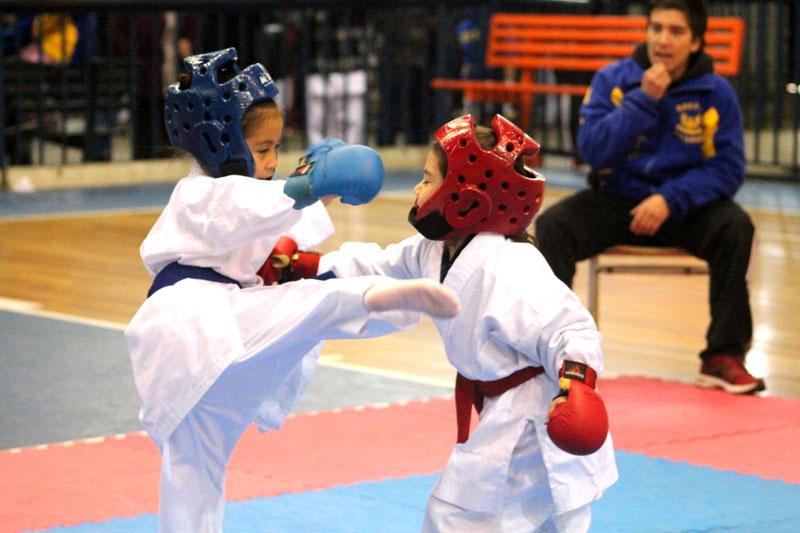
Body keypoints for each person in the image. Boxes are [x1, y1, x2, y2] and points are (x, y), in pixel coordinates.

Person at [123, 47, 461, 533]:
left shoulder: (238, 196)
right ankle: (381, 297)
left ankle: (387, 286)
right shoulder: (201, 194)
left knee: (194, 476)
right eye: (263, 150)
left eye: (277, 149)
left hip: (208, 335)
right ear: (220, 142)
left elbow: (274, 224)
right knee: (310, 303)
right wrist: (308, 184)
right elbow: (254, 207)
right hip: (197, 321)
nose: (272, 161)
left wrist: (314, 185)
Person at [317, 114, 618, 532]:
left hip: (535, 420)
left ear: (466, 197)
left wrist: (578, 387)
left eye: (427, 179)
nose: (418, 189)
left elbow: (571, 330)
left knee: (453, 519)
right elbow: (378, 265)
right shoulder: (434, 249)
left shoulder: (510, 267)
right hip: (505, 413)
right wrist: (308, 266)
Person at [534, 0, 763, 395]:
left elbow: (728, 169)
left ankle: (722, 356)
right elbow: (593, 150)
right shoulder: (613, 80)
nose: (662, 40)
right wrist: (643, 100)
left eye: (676, 32)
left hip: (685, 209)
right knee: (553, 226)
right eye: (656, 28)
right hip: (619, 200)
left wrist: (670, 199)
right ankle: (549, 351)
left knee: (736, 227)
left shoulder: (716, 92)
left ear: (695, 43)